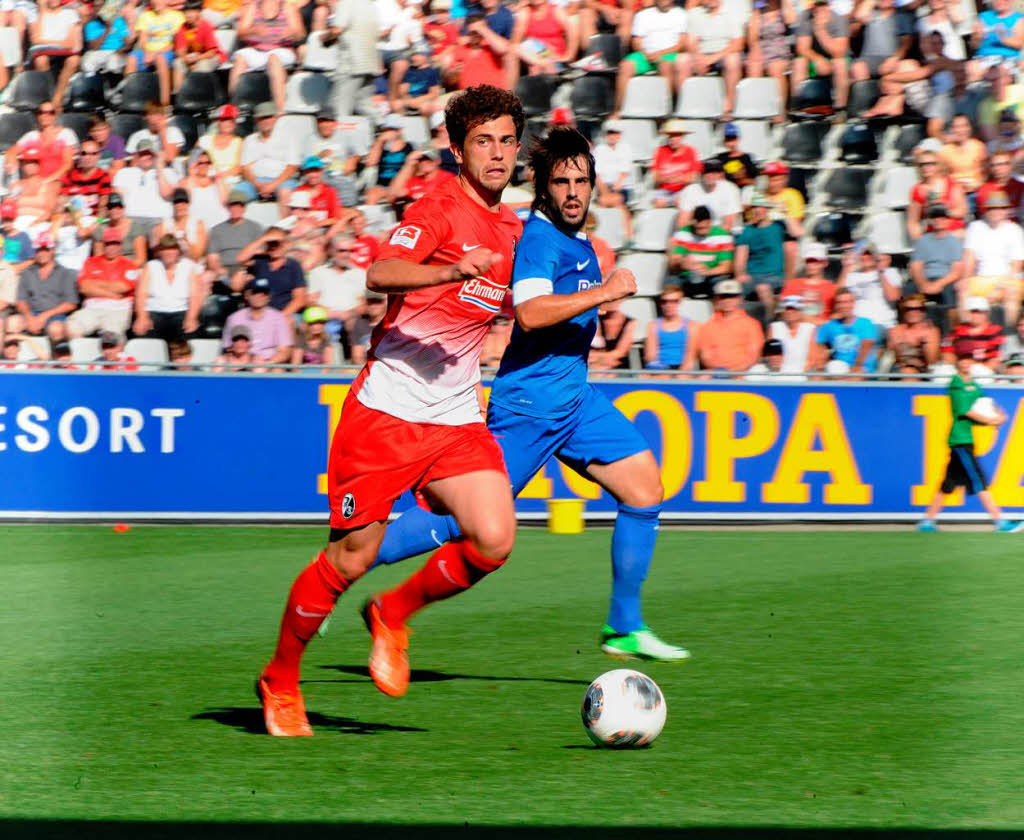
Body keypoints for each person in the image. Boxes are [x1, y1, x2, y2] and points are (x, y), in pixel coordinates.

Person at [367, 124, 688, 676]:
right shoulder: (541, 240)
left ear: (593, 185)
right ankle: (347, 571)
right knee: (459, 523)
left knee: (644, 488)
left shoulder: (579, 238)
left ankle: (624, 627)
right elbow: (531, 313)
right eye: (560, 182)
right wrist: (606, 292)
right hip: (528, 408)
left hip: (574, 400)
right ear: (542, 186)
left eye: (580, 181)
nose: (571, 192)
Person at [257, 85, 527, 736]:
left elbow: (520, 304)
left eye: (507, 140)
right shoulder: (436, 207)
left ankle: (394, 613)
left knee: (494, 537)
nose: (497, 153)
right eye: (483, 140)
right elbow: (380, 272)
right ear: (459, 149)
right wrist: (447, 273)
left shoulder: (516, 231)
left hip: (457, 415)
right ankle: (281, 675)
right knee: (351, 557)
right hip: (386, 412)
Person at [917, 341, 1022, 533]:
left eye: (968, 358)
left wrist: (999, 415)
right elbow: (966, 411)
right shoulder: (956, 384)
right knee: (979, 480)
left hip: (965, 440)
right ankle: (1000, 522)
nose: (965, 362)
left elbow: (985, 403)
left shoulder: (973, 384)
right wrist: (990, 421)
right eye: (962, 358)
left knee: (948, 484)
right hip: (960, 440)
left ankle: (927, 522)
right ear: (957, 360)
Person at [230, 0, 305, 115]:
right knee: (240, 58)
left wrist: (291, 32)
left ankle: (280, 109)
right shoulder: (253, 7)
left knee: (273, 59)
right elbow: (241, 33)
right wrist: (255, 30)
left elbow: (301, 34)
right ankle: (234, 108)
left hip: (282, 49)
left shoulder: (287, 7)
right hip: (257, 49)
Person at [613, 0, 688, 114]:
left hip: (668, 54)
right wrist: (645, 53)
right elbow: (636, 41)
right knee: (625, 66)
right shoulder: (643, 15)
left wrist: (660, 53)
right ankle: (619, 109)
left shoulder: (681, 14)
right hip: (646, 54)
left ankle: (665, 110)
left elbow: (681, 44)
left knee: (665, 65)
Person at [962, 189, 1024, 325]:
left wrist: (1000, 287)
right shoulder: (975, 227)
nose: (996, 211)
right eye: (993, 208)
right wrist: (965, 279)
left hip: (1008, 280)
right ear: (986, 210)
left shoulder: (1015, 231)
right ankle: (967, 335)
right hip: (982, 278)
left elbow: (1016, 266)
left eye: (1001, 208)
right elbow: (969, 258)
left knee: (1011, 293)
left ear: (1006, 210)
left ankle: (1009, 336)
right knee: (963, 289)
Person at [66, 228, 139, 338]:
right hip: (92, 308)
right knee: (70, 328)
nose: (112, 247)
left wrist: (95, 283)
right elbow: (84, 288)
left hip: (118, 310)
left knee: (110, 336)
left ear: (120, 246)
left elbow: (123, 287)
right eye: (108, 244)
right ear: (103, 245)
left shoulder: (129, 265)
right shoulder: (90, 262)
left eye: (115, 243)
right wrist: (111, 294)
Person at [679, 0, 744, 120]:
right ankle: (686, 105)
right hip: (702, 52)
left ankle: (728, 108)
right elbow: (691, 42)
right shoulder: (695, 13)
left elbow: (737, 44)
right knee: (682, 60)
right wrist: (699, 58)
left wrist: (712, 58)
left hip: (724, 53)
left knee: (733, 60)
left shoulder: (732, 13)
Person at [683, 278, 764, 373]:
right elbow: (706, 356)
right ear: (718, 299)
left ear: (740, 299)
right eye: (724, 296)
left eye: (732, 296)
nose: (728, 300)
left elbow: (753, 357)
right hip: (715, 373)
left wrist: (733, 372)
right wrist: (720, 372)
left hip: (743, 374)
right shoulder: (708, 326)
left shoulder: (752, 325)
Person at [133, 233, 203, 341]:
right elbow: (141, 294)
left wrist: (191, 318)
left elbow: (195, 296)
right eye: (165, 249)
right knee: (142, 332)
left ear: (178, 252)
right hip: (155, 311)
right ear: (160, 252)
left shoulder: (188, 267)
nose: (169, 253)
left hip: (181, 311)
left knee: (189, 333)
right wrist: (142, 317)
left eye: (172, 249)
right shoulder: (151, 266)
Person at [10, 235, 77, 342]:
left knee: (56, 329)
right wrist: (29, 317)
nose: (42, 253)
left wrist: (44, 316)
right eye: (38, 250)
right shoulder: (27, 272)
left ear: (53, 250)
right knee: (12, 323)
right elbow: (21, 300)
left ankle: (57, 358)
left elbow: (71, 303)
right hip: (31, 314)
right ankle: (11, 356)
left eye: (46, 250)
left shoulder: (65, 273)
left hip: (55, 316)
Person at [908, 203, 963, 329]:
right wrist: (923, 283)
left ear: (947, 220)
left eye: (942, 217)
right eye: (935, 218)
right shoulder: (922, 241)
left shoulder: (954, 242)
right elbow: (916, 266)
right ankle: (908, 328)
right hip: (925, 278)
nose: (938, 221)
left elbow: (956, 271)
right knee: (908, 291)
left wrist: (938, 284)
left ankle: (951, 332)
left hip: (945, 279)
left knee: (951, 294)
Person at [234, 227, 307, 315]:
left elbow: (299, 299)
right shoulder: (260, 260)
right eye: (271, 243)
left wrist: (280, 318)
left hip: (284, 313)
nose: (274, 247)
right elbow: (240, 258)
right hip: (259, 313)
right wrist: (263, 239)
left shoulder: (293, 265)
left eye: (278, 243)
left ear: (285, 243)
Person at [793, 0, 850, 112]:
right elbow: (802, 48)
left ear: (829, 6)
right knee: (799, 62)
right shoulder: (805, 16)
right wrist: (818, 59)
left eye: (823, 5)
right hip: (815, 59)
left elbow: (839, 51)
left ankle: (840, 110)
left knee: (840, 64)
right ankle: (797, 107)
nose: (820, 9)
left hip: (836, 59)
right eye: (817, 5)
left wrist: (820, 30)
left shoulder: (839, 19)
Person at [734, 192, 785, 319]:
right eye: (754, 207)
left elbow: (798, 232)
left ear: (767, 209)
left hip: (773, 275)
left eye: (760, 207)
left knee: (763, 289)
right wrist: (740, 273)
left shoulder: (778, 227)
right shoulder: (747, 231)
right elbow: (740, 259)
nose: (757, 210)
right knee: (730, 292)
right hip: (752, 276)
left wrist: (784, 214)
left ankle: (769, 325)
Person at [221, 276, 293, 364]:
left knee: (277, 370)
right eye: (256, 292)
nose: (260, 296)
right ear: (247, 295)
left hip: (269, 366)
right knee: (220, 363)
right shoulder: (234, 318)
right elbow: (227, 348)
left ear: (269, 297)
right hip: (241, 364)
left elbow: (285, 351)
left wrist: (268, 363)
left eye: (265, 293)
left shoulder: (278, 318)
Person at [668, 204, 734, 300]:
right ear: (693, 223)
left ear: (710, 222)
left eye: (705, 228)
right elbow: (673, 262)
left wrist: (707, 272)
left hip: (712, 275)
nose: (701, 232)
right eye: (698, 228)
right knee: (671, 283)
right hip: (687, 274)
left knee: (721, 285)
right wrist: (682, 263)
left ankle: (718, 313)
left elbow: (726, 267)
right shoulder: (683, 234)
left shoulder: (722, 236)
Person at [238, 103, 300, 203]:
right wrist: (257, 184)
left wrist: (273, 185)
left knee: (285, 193)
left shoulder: (288, 138)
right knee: (235, 195)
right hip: (255, 182)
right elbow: (245, 168)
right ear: (256, 120)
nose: (266, 121)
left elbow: (292, 167)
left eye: (269, 117)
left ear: (275, 118)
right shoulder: (249, 140)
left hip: (282, 181)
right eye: (262, 118)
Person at [127, 0, 185, 107]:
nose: (154, 2)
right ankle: (131, 98)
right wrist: (147, 52)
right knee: (132, 58)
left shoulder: (177, 17)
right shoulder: (146, 16)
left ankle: (165, 103)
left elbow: (175, 43)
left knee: (160, 59)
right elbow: (142, 41)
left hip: (167, 51)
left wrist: (155, 53)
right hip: (148, 51)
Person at [745, 0, 796, 121]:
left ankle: (779, 110)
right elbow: (752, 37)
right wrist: (755, 49)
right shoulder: (759, 9)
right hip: (763, 49)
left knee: (775, 67)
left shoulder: (784, 7)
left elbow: (792, 21)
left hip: (782, 50)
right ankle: (757, 110)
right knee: (754, 66)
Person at [28, 0, 82, 110]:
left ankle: (56, 99)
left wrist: (46, 41)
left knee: (74, 60)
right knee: (41, 60)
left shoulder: (70, 14)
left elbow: (71, 43)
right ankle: (50, 97)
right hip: (42, 52)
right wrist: (42, 11)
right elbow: (35, 39)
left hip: (64, 51)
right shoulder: (36, 15)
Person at [813, 288, 879, 376]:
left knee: (854, 377)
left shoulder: (865, 323)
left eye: (847, 302)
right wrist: (821, 361)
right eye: (840, 302)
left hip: (861, 369)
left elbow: (866, 346)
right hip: (837, 368)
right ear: (836, 305)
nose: (844, 306)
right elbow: (819, 345)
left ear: (853, 304)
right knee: (816, 378)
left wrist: (857, 366)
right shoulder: (830, 326)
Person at [837, 243, 902, 330]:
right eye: (862, 254)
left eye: (869, 254)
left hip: (881, 323)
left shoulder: (889, 272)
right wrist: (846, 268)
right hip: (855, 325)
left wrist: (880, 271)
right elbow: (838, 295)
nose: (866, 257)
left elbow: (893, 297)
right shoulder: (852, 275)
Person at [207, 191, 264, 283]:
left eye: (239, 206)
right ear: (228, 208)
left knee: (242, 278)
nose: (235, 209)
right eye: (232, 206)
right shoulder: (216, 230)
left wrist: (245, 267)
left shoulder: (255, 227)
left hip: (245, 267)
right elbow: (212, 258)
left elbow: (260, 253)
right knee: (206, 277)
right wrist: (220, 270)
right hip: (224, 268)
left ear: (244, 208)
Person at [676, 159, 741, 231]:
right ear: (701, 174)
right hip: (698, 232)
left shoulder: (731, 189)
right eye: (707, 172)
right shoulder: (690, 190)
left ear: (722, 175)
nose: (711, 175)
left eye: (715, 172)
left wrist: (710, 237)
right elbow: (682, 223)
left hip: (724, 233)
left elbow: (728, 224)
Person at [172, 0, 222, 93]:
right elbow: (180, 50)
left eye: (191, 12)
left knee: (203, 65)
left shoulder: (205, 26)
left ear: (198, 12)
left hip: (210, 56)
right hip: (192, 57)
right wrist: (186, 59)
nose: (188, 15)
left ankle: (200, 96)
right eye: (186, 12)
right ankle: (178, 95)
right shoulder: (183, 27)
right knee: (178, 62)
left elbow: (212, 52)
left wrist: (197, 59)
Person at [781, 242, 837, 324]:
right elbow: (785, 313)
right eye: (808, 261)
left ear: (825, 263)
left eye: (816, 262)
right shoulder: (793, 284)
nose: (811, 265)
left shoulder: (831, 287)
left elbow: (837, 314)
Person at [644, 284, 696, 371]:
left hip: (683, 369)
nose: (668, 305)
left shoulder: (692, 326)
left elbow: (690, 357)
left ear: (680, 302)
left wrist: (680, 375)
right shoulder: (653, 325)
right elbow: (651, 356)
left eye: (674, 301)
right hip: (660, 368)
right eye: (664, 301)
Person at [887, 293, 940, 377]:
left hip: (922, 371)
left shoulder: (931, 331)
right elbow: (893, 358)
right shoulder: (895, 330)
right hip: (899, 370)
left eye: (918, 309)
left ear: (923, 311)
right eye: (908, 309)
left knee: (909, 372)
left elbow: (932, 362)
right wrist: (897, 345)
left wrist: (924, 344)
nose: (913, 312)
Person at [650, 120, 700, 207]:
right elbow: (655, 178)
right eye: (671, 136)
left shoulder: (691, 151)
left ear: (682, 136)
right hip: (664, 190)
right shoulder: (660, 151)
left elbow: (693, 178)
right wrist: (671, 179)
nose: (673, 139)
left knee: (681, 201)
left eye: (677, 136)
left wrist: (675, 178)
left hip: (683, 190)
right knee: (659, 202)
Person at [767, 294, 814, 378]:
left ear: (801, 311)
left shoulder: (810, 328)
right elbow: (772, 358)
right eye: (787, 309)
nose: (789, 312)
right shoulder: (775, 327)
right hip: (779, 373)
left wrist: (799, 374)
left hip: (801, 374)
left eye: (794, 309)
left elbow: (811, 359)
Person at [197, 104, 244, 183]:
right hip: (207, 181)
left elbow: (239, 168)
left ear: (235, 123)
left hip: (231, 181)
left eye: (232, 120)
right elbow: (193, 163)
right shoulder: (204, 141)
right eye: (224, 119)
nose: (228, 123)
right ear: (217, 122)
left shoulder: (240, 143)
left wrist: (220, 177)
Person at [715, 123, 757, 188]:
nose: (731, 143)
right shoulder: (720, 158)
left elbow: (754, 181)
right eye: (728, 140)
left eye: (733, 139)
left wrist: (741, 180)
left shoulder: (746, 157)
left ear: (738, 140)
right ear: (724, 142)